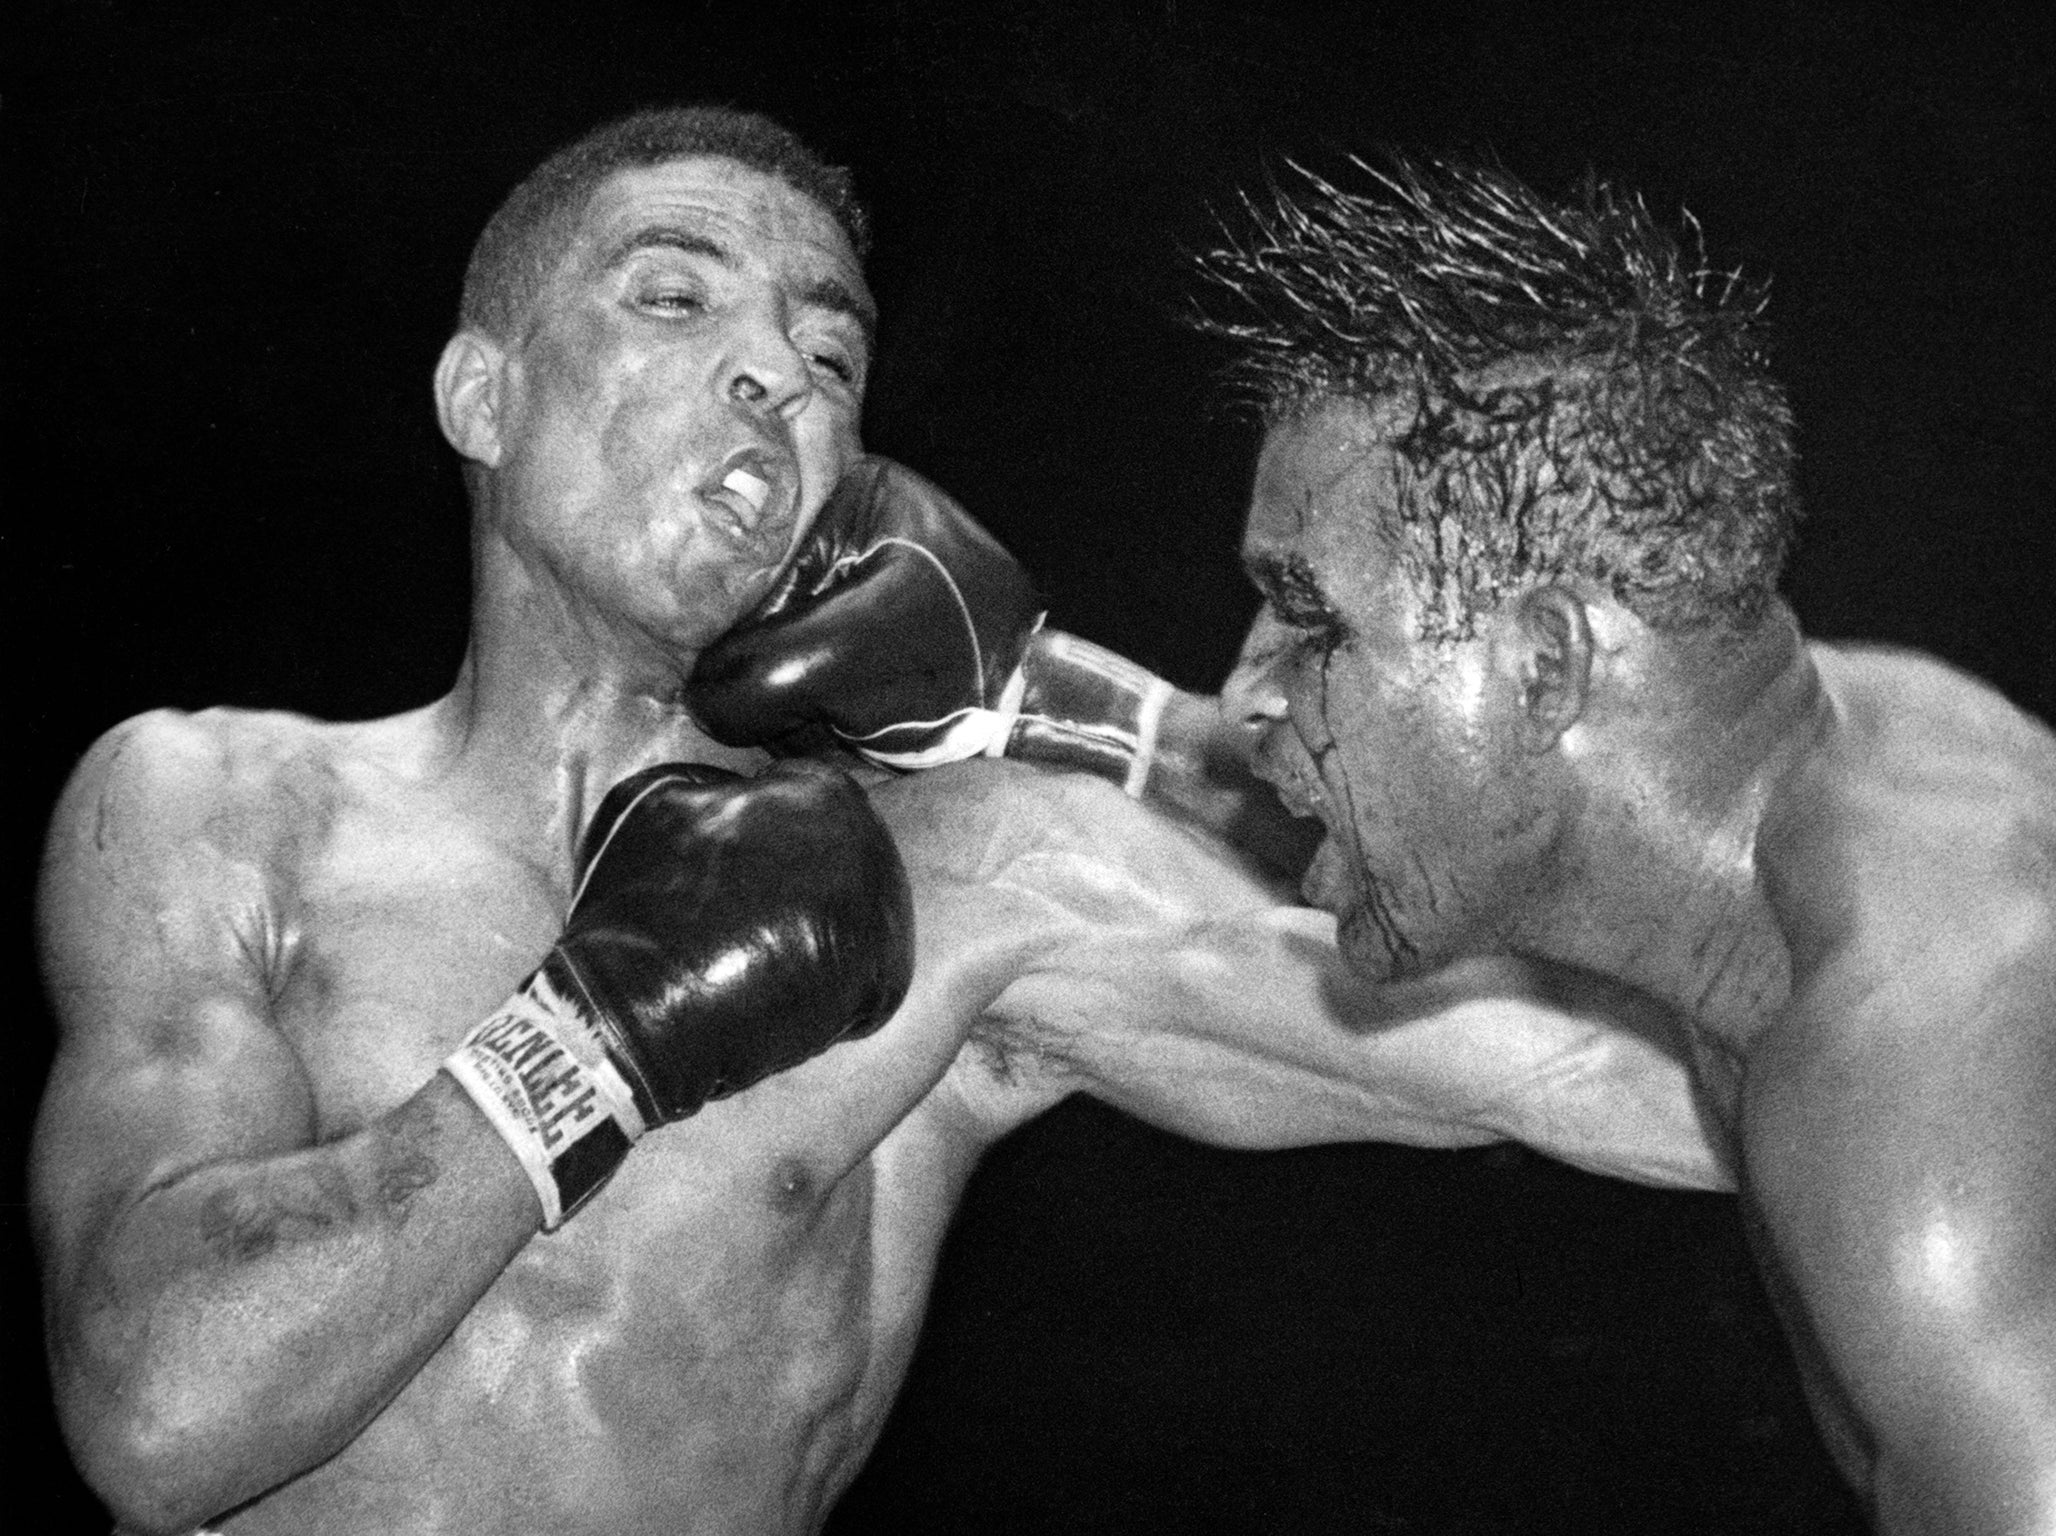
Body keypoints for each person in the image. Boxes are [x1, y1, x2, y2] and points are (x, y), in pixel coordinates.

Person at [32, 109, 1723, 1536]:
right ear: (485, 396)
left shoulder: (970, 870)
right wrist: (592, 1051)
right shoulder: (215, 808)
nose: (773, 365)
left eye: (826, 351)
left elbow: (1627, 1075)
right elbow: (161, 1407)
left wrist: (1054, 701)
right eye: (675, 297)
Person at [1205, 158, 2056, 1533]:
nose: (1251, 692)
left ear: (1542, 666)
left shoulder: (1913, 1092)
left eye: (1311, 622)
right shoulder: (1837, 755)